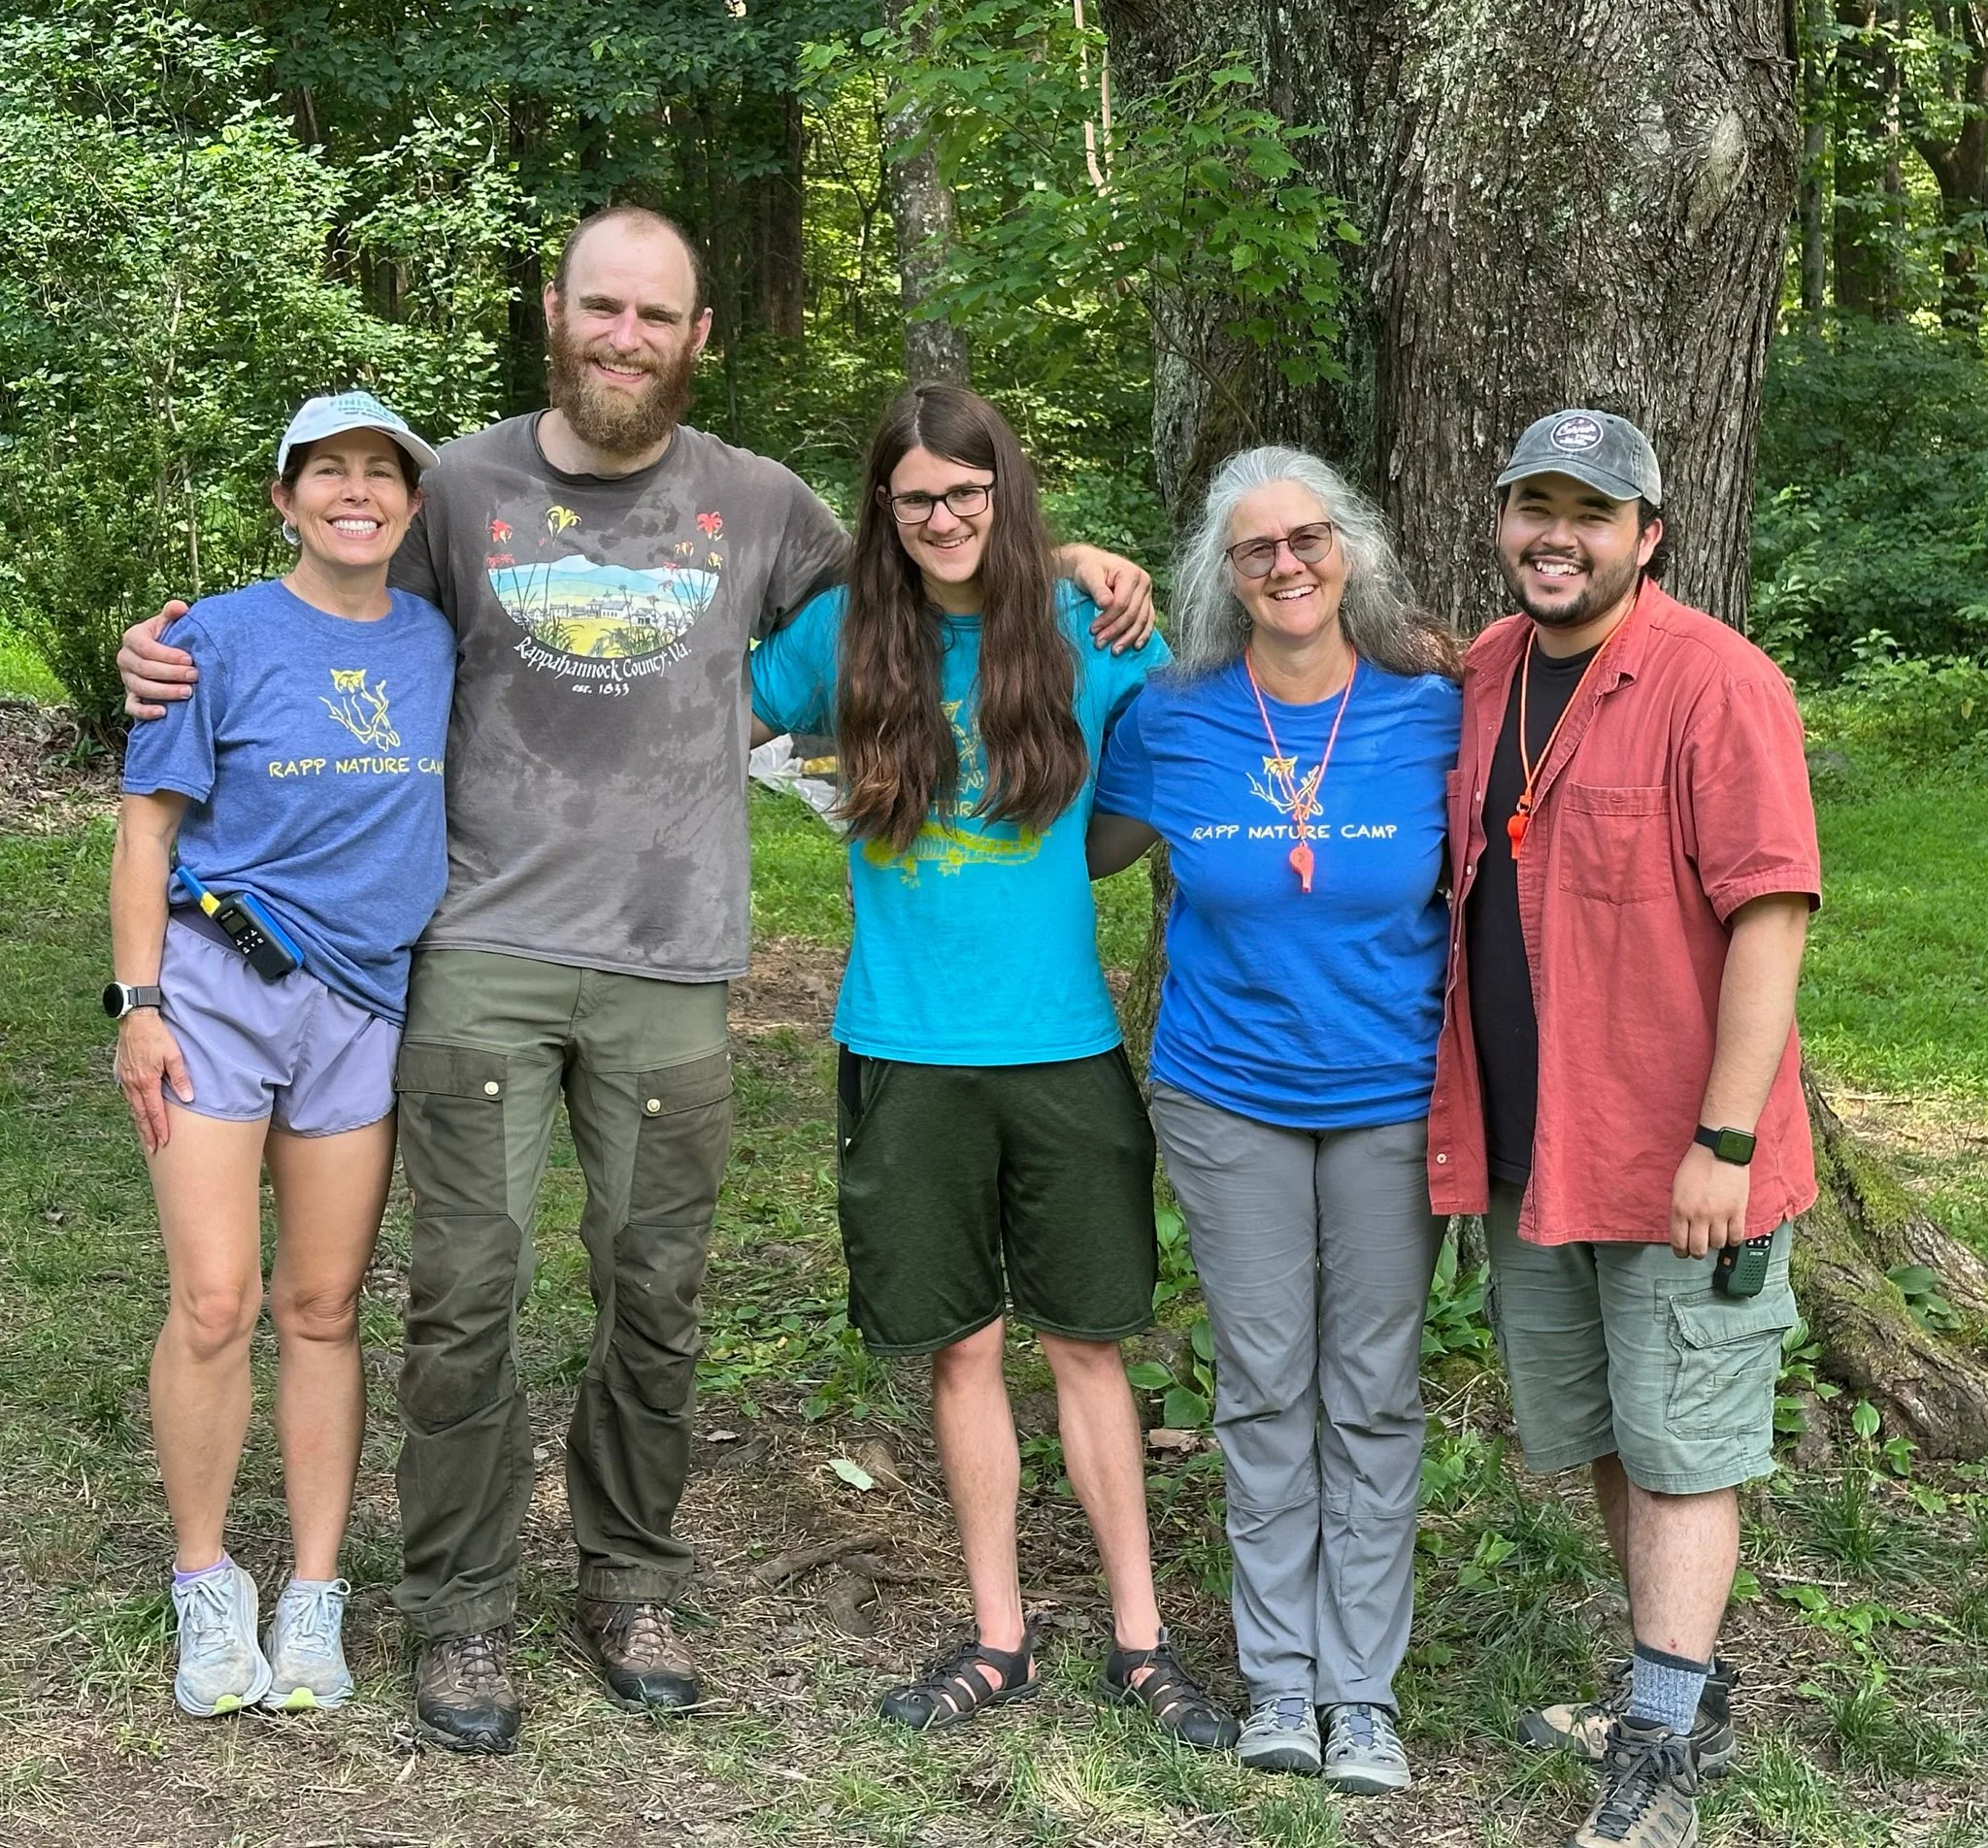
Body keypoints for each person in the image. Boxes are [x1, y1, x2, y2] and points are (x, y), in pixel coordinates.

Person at [116, 206, 1156, 1754]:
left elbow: (918, 559)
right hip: (484, 952)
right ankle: (458, 1612)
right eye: (600, 306)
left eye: (654, 315)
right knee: (465, 1292)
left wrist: (1065, 550)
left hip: (676, 960)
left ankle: (630, 1577)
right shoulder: (458, 482)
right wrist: (173, 649)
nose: (624, 335)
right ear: (557, 310)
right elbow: (323, 593)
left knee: (653, 1294)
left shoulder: (757, 499)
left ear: (696, 337)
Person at [746, 382, 1232, 1749]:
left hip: (1064, 1045)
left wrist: (1081, 563)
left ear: (1003, 492)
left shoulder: (1087, 624)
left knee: (1090, 1342)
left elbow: (1193, 746)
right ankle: (999, 1637)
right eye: (919, 499)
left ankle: (1142, 1641)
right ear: (884, 515)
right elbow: (696, 703)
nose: (947, 517)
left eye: (970, 492)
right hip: (904, 1044)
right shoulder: (841, 634)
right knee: (962, 1350)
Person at [1425, 410, 1818, 1848]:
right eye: (1534, 503)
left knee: (1683, 1445)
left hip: (1676, 1158)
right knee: (1606, 1428)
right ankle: (1676, 1684)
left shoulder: (1717, 684)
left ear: (1648, 535)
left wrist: (1722, 1144)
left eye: (1591, 512)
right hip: (1541, 1148)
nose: (1557, 534)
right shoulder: (1482, 672)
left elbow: (1771, 916)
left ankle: (1658, 1751)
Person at [1086, 447, 1462, 1790]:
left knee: (1369, 1390)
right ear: (1222, 575)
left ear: (1346, 550)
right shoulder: (1174, 717)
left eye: (1308, 539)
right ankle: (1277, 1683)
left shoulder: (1433, 709)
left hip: (1390, 1099)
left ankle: (1362, 1693)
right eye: (1258, 550)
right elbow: (1068, 846)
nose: (1288, 564)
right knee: (1261, 1386)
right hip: (1225, 1094)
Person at [111, 392, 451, 1718]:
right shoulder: (216, 638)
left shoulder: (440, 639)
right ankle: (207, 1582)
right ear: (285, 497)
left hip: (363, 1007)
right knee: (215, 1300)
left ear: (411, 510)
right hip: (215, 987)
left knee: (322, 1304)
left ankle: (314, 1593)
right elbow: (146, 828)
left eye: (382, 474)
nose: (355, 493)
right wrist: (136, 1001)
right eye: (328, 474)